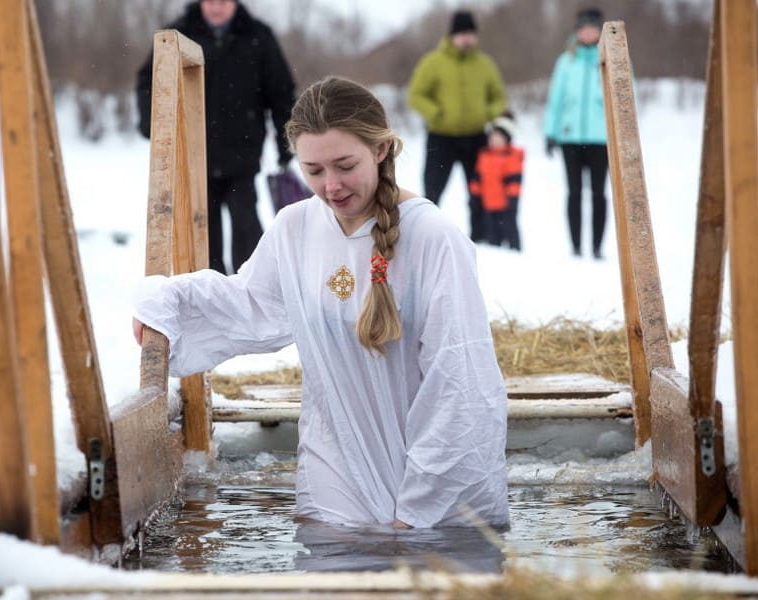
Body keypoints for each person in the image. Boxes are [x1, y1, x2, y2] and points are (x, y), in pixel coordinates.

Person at [132, 77, 509, 530]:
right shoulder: (296, 229)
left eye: (344, 165)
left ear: (383, 149)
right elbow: (251, 305)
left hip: (433, 498)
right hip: (336, 482)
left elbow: (461, 382)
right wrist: (165, 300)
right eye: (313, 171)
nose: (331, 186)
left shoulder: (432, 238)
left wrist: (419, 509)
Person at [136, 0, 296, 274]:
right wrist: (156, 126)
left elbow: (281, 92)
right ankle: (209, 297)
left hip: (242, 156)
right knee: (202, 234)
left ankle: (252, 293)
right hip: (196, 157)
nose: (216, 7)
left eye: (223, 1)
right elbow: (149, 82)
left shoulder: (258, 36)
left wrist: (287, 141)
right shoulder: (179, 34)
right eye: (210, 0)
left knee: (247, 232)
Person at [407, 10, 507, 242]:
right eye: (462, 34)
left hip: (476, 137)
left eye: (470, 34)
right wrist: (436, 113)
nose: (466, 39)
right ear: (452, 35)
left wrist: (487, 114)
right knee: (432, 191)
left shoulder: (485, 64)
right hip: (442, 137)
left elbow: (499, 97)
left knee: (479, 191)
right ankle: (424, 236)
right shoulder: (433, 62)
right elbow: (416, 95)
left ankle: (481, 239)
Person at [544, 7, 609, 259]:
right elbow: (555, 100)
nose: (588, 32)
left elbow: (625, 97)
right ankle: (575, 246)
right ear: (577, 31)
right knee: (573, 192)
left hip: (600, 140)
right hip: (570, 139)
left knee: (598, 194)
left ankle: (596, 246)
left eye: (593, 28)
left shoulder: (610, 60)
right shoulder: (565, 61)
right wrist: (550, 132)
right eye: (584, 28)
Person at [469, 113, 524, 251]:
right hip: (488, 205)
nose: (494, 141)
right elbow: (477, 179)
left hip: (505, 206)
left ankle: (516, 254)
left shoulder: (511, 157)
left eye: (499, 138)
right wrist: (474, 196)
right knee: (492, 236)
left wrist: (513, 199)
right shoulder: (484, 155)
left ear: (507, 139)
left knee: (511, 233)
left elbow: (514, 181)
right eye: (492, 137)